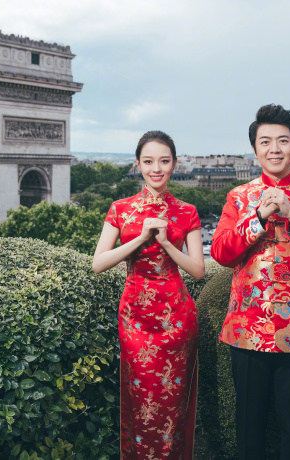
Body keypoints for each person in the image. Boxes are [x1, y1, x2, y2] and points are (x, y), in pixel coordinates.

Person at [211, 104, 290, 459]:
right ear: (255, 150)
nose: (274, 149)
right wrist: (258, 216)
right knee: (248, 429)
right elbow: (221, 252)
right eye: (265, 141)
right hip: (247, 329)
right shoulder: (239, 197)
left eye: (282, 141)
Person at [92, 130, 205, 459]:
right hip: (136, 321)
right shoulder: (121, 209)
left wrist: (168, 244)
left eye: (164, 161)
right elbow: (99, 263)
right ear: (137, 165)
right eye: (149, 161)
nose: (157, 168)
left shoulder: (187, 211)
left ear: (174, 164)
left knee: (173, 406)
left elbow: (198, 270)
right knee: (140, 402)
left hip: (177, 318)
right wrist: (140, 239)